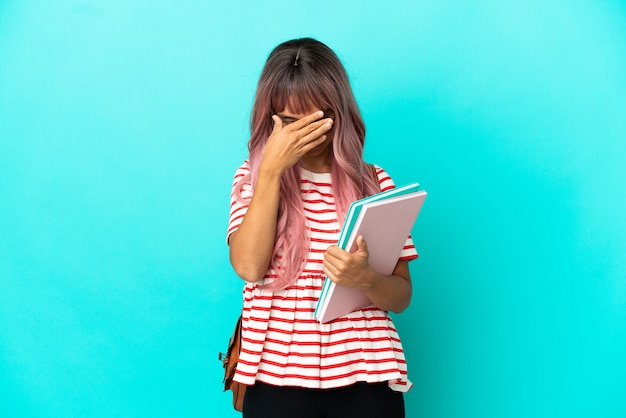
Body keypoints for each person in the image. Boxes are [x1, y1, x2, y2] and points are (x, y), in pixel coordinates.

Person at [227, 37, 418, 418]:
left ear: (338, 112)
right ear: (272, 119)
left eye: (317, 120)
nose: (305, 135)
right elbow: (248, 267)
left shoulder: (374, 183)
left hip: (367, 373)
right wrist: (271, 174)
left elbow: (401, 296)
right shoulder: (252, 177)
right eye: (291, 123)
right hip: (275, 376)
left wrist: (366, 278)